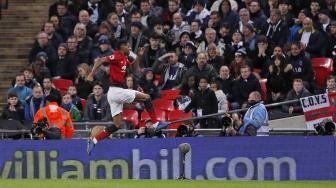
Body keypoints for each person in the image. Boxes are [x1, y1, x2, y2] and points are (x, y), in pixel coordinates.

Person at [86, 39, 167, 155]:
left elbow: (134, 68)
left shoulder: (124, 58)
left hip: (113, 93)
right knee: (147, 98)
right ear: (121, 47)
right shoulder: (117, 56)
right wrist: (91, 74)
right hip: (117, 91)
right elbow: (100, 60)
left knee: (117, 125)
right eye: (127, 46)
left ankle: (94, 140)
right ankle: (155, 124)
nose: (129, 48)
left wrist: (138, 56)